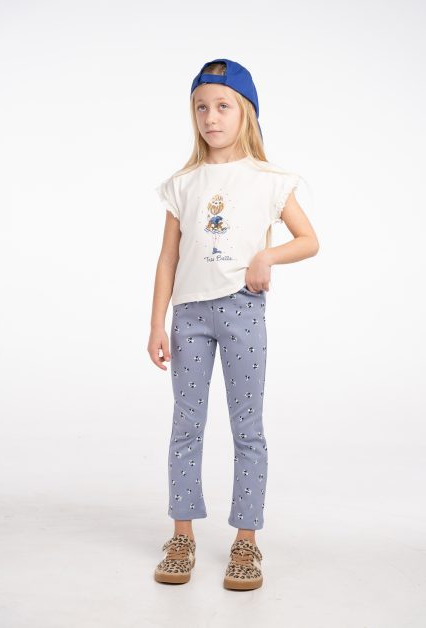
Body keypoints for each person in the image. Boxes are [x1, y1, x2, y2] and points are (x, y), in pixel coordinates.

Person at [148, 58, 319, 590]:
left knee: (248, 429)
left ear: (245, 112)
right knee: (186, 426)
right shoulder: (182, 184)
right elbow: (168, 258)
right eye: (201, 107)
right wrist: (156, 323)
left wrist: (267, 258)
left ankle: (246, 540)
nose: (211, 117)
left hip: (243, 311)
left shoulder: (270, 181)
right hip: (190, 317)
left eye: (222, 106)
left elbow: (308, 240)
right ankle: (182, 536)